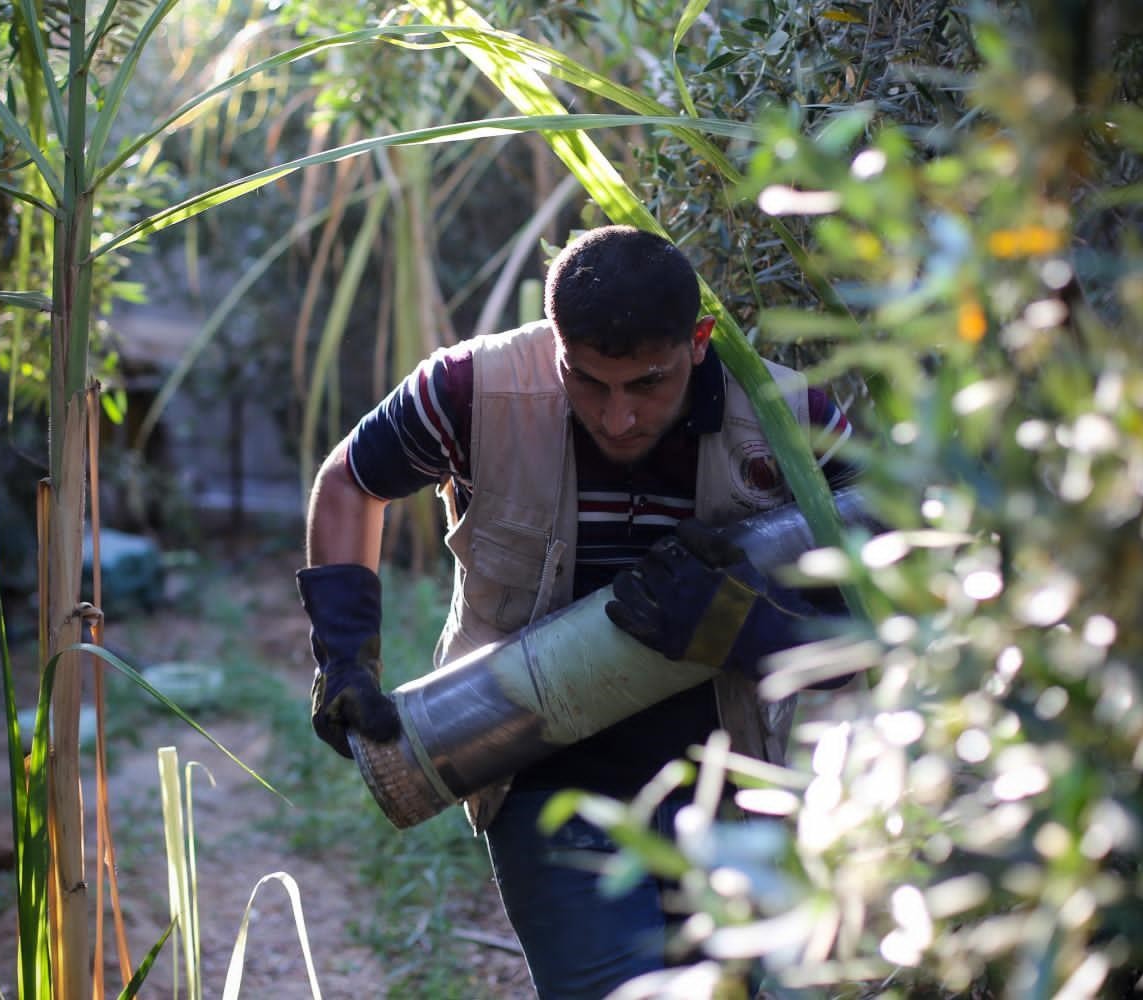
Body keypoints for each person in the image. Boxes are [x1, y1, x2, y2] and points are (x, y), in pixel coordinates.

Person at [297, 225, 857, 999]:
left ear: (699, 342)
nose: (618, 417)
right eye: (588, 382)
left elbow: (888, 612)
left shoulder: (793, 422)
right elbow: (349, 482)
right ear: (553, 339)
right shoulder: (469, 389)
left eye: (646, 385)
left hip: (736, 783)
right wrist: (345, 654)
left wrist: (748, 626)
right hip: (540, 779)